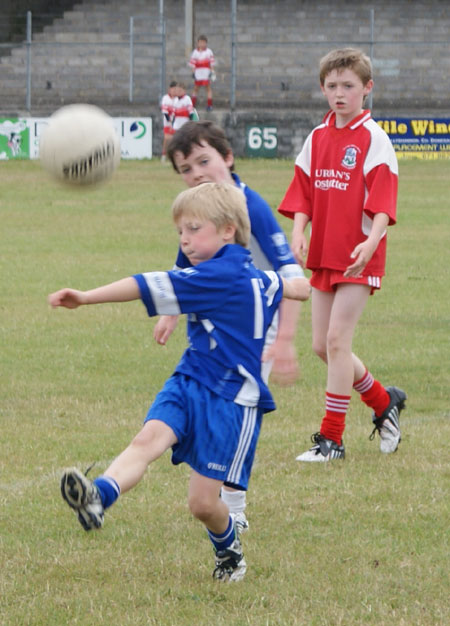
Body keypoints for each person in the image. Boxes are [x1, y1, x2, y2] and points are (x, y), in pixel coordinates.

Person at [49, 182, 311, 582]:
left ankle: (229, 553)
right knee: (146, 441)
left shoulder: (216, 277)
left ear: (227, 230)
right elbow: (294, 288)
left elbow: (141, 284)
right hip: (190, 380)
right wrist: (295, 280)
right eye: (180, 232)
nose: (184, 241)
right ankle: (98, 496)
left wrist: (85, 297)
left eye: (193, 229)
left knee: (203, 504)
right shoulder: (254, 276)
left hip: (232, 401)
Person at [157, 120, 305, 527]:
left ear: (228, 157)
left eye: (205, 161)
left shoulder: (248, 206)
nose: (197, 174)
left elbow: (291, 273)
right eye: (186, 169)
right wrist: (171, 312)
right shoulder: (198, 213)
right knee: (213, 405)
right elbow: (183, 268)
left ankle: (234, 510)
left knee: (241, 408)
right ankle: (215, 495)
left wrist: (286, 338)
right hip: (214, 326)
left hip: (256, 326)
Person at [278, 47, 407, 462]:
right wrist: (299, 230)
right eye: (332, 86)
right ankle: (384, 401)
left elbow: (384, 202)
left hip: (358, 255)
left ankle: (331, 440)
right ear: (322, 88)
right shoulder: (318, 137)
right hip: (324, 251)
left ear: (367, 89)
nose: (339, 94)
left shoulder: (374, 139)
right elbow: (304, 190)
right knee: (321, 345)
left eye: (348, 86)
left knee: (337, 339)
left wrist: (371, 244)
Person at [189, 35, 215, 111]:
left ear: (206, 43)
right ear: (198, 43)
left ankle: (209, 105)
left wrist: (212, 72)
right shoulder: (195, 52)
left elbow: (212, 63)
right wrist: (193, 73)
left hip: (206, 73)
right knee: (196, 88)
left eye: (204, 43)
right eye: (200, 42)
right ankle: (192, 105)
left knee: (208, 88)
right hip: (198, 73)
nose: (202, 44)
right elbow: (193, 64)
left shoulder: (209, 52)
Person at [160, 80, 177, 162]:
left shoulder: (178, 99)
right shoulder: (165, 98)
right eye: (172, 89)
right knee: (167, 138)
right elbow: (164, 111)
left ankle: (173, 156)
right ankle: (163, 155)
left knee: (175, 139)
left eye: (175, 89)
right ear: (169, 89)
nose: (174, 91)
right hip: (167, 122)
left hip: (176, 122)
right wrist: (169, 122)